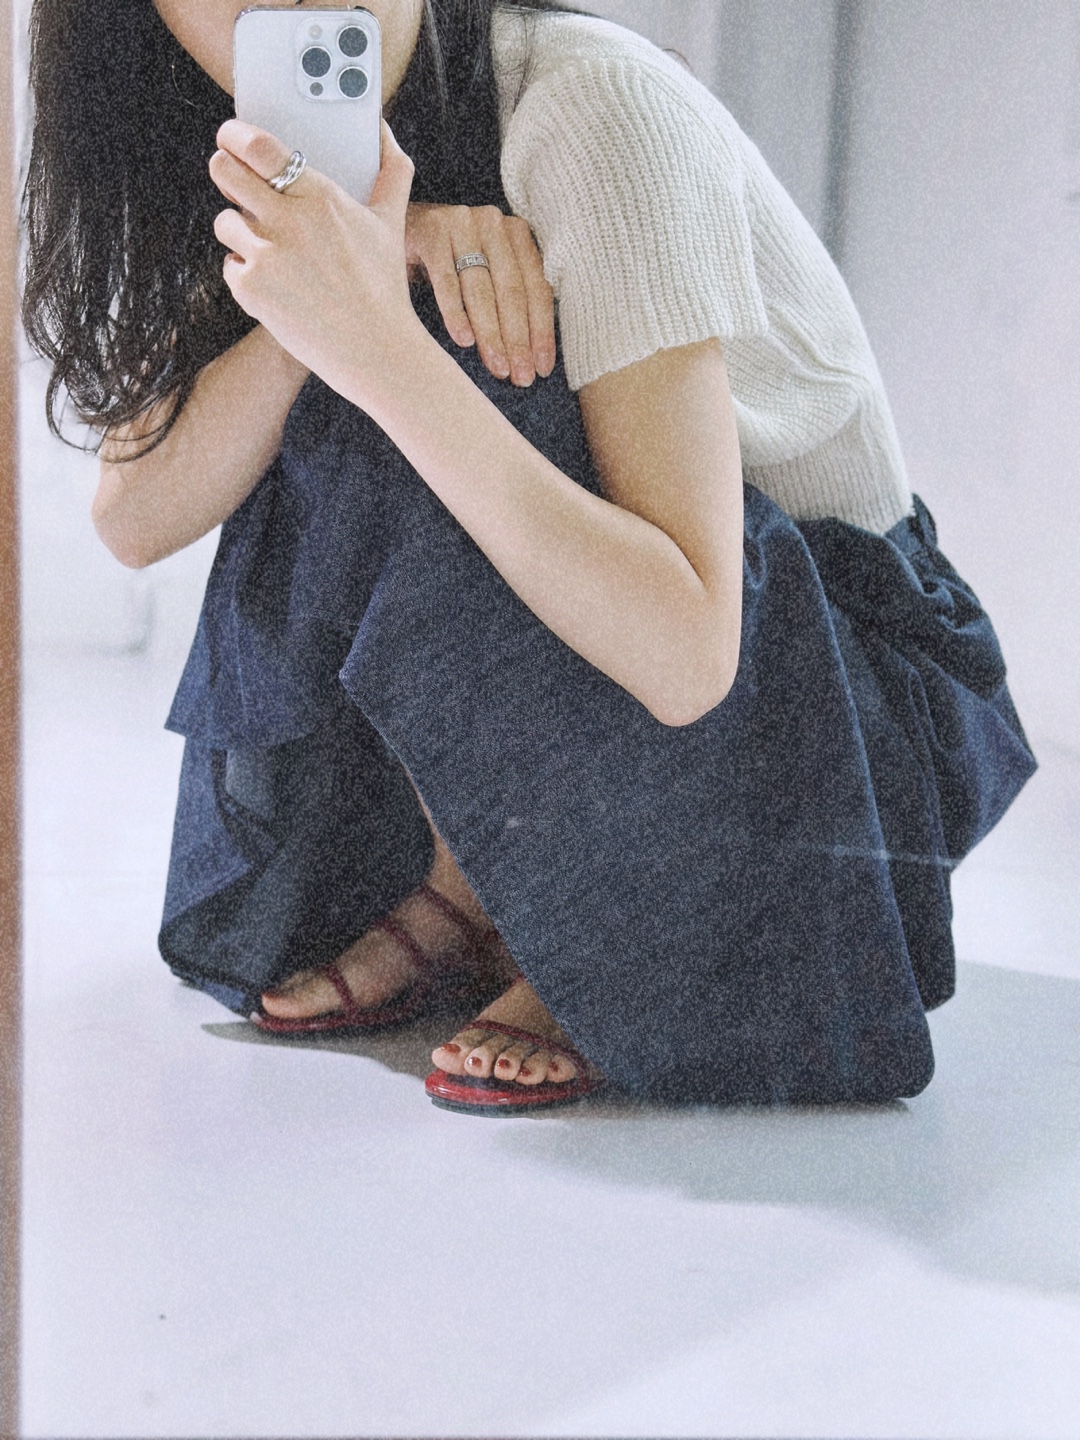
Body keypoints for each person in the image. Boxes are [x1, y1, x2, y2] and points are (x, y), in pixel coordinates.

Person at [22, 0, 1035, 1114]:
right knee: (334, 370)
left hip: (826, 713)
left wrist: (382, 340)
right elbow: (135, 514)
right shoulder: (232, 133)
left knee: (433, 363)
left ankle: (594, 931)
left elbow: (692, 651)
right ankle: (474, 894)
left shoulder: (593, 105)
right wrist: (344, 285)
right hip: (655, 674)